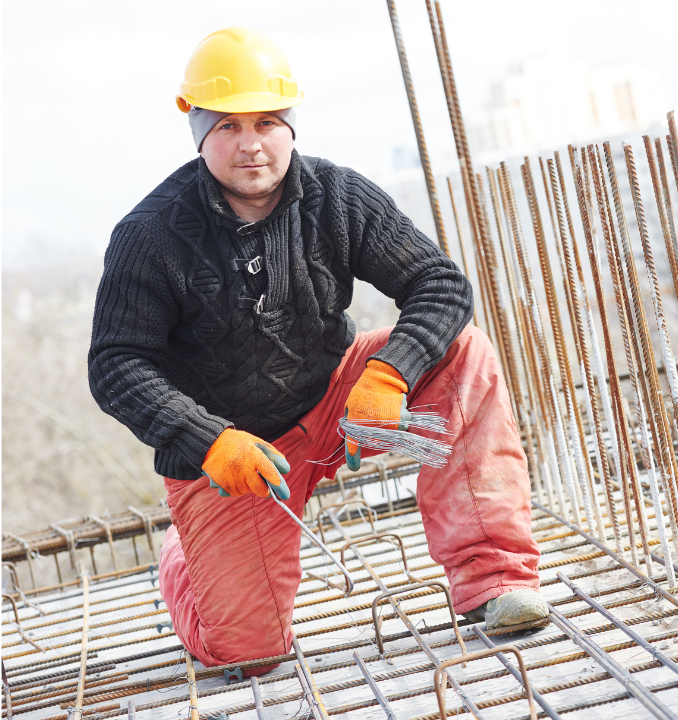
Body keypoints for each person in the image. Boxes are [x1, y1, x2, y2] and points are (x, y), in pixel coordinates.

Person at [88, 27, 546, 673]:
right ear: (197, 129)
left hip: (338, 401)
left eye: (267, 121)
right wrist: (207, 440)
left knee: (459, 351)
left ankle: (493, 579)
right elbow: (116, 364)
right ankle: (185, 556)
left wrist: (389, 374)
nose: (250, 143)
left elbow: (438, 285)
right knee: (247, 655)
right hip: (237, 456)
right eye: (227, 126)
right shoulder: (150, 235)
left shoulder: (337, 196)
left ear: (291, 124)